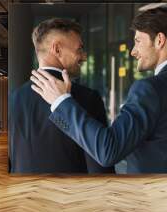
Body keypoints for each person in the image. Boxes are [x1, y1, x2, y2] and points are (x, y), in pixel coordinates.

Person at [30, 7, 167, 173]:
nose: (133, 51)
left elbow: (108, 150)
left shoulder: (149, 89)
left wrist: (61, 101)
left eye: (138, 41)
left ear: (160, 40)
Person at [9, 18, 115, 173]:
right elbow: (99, 166)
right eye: (79, 49)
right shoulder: (88, 99)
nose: (84, 57)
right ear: (57, 49)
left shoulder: (14, 98)